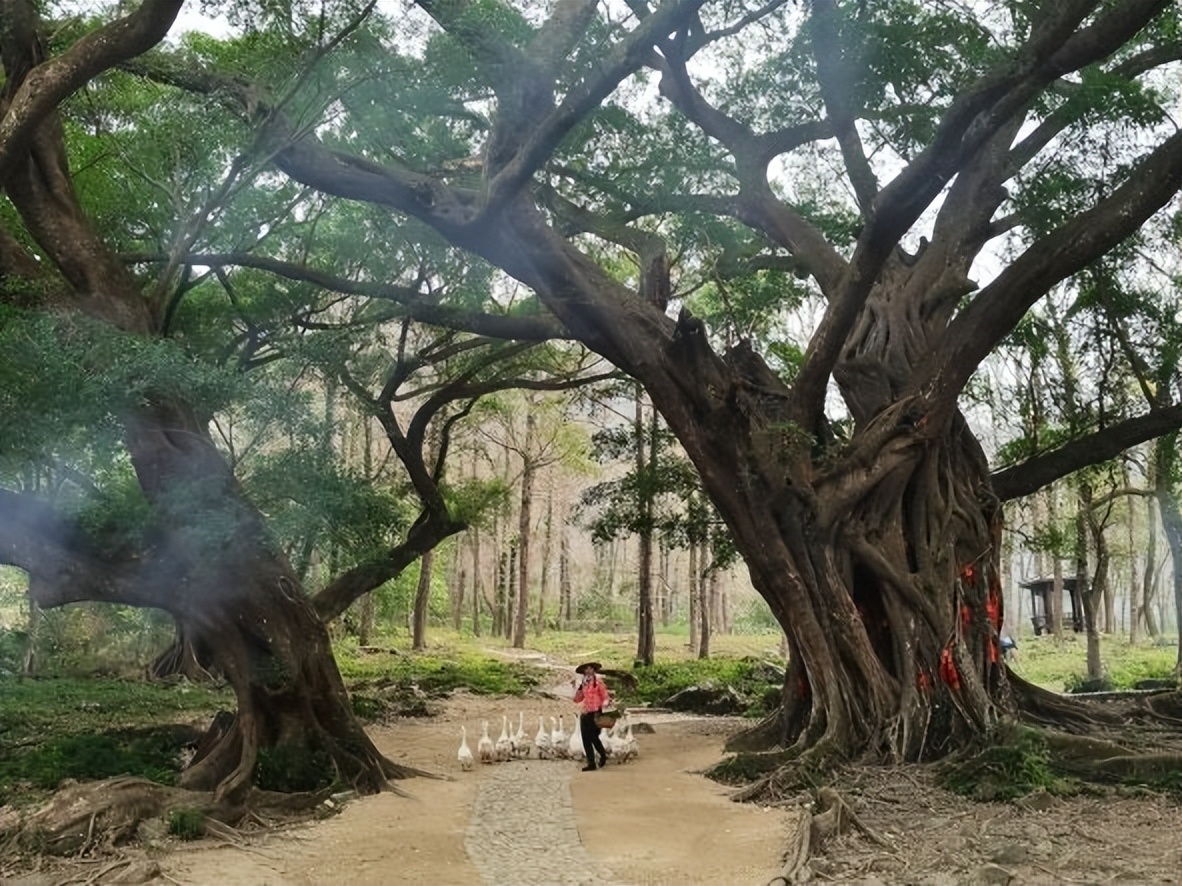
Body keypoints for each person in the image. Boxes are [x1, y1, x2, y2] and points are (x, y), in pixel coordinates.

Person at [572, 661, 610, 771]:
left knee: (594, 737)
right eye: (586, 669)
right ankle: (591, 762)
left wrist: (604, 705)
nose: (588, 671)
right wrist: (577, 689)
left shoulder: (598, 682)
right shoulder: (583, 683)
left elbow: (605, 696)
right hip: (585, 712)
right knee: (585, 738)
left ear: (593, 670)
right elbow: (577, 699)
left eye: (590, 669)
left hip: (596, 712)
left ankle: (602, 755)